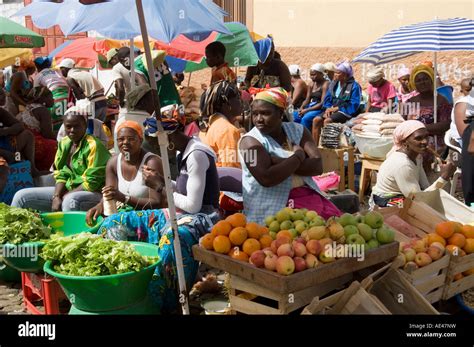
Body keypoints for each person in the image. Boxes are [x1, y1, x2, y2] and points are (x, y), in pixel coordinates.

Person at [238, 87, 341, 224]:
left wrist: (280, 162)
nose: (259, 119)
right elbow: (266, 178)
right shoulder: (249, 141)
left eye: (265, 113)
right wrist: (298, 156)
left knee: (331, 229)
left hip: (305, 199)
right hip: (270, 208)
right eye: (255, 114)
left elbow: (317, 166)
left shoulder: (297, 130)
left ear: (280, 113)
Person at [11, 105, 111, 212]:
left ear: (85, 126)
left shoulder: (93, 146)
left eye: (76, 126)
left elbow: (92, 182)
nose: (72, 130)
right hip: (70, 190)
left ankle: (71, 228)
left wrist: (64, 196)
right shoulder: (64, 144)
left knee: (70, 200)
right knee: (21, 196)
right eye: (68, 127)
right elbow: (61, 173)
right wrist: (56, 196)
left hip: (95, 194)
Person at [86, 120, 164, 224]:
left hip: (149, 219)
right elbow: (110, 193)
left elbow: (157, 202)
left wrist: (124, 198)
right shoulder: (113, 162)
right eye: (121, 139)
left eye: (131, 139)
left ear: (140, 141)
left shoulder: (151, 162)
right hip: (123, 215)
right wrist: (99, 206)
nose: (125, 142)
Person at [371, 120, 456, 207]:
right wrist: (444, 177)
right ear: (404, 142)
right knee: (414, 206)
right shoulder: (402, 164)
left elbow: (424, 186)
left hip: (404, 196)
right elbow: (417, 199)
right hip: (385, 201)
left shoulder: (417, 157)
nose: (425, 142)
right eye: (418, 138)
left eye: (426, 137)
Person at [406, 64, 452, 170]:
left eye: (426, 78)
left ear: (431, 80)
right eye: (418, 80)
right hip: (413, 146)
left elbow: (446, 124)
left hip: (434, 147)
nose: (422, 82)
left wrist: (421, 129)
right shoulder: (410, 101)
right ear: (414, 83)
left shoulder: (441, 100)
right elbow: (403, 122)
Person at [312, 62, 362, 141]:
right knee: (316, 120)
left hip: (345, 111)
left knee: (327, 121)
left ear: (345, 75)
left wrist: (337, 108)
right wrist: (328, 109)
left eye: (337, 73)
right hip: (332, 109)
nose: (334, 74)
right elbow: (327, 99)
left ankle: (328, 147)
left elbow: (354, 104)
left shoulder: (354, 86)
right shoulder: (333, 84)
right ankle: (315, 147)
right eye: (335, 72)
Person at [199, 80, 243, 168]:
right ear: (226, 104)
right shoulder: (227, 130)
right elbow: (232, 168)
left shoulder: (211, 123)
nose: (241, 101)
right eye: (237, 98)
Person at [0, 88, 42, 177]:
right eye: (0, 95)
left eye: (3, 94)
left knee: (27, 135)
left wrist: (5, 131)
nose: (3, 97)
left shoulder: (1, 112)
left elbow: (19, 125)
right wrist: (3, 152)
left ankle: (32, 169)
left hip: (5, 143)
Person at [17, 87, 57, 171]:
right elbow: (47, 134)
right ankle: (44, 170)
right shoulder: (43, 110)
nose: (53, 99)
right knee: (55, 145)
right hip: (33, 141)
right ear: (44, 99)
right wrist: (59, 138)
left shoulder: (30, 107)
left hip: (23, 140)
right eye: (51, 97)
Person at [33, 56, 69, 131]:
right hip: (67, 95)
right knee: (66, 118)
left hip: (56, 97)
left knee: (55, 120)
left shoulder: (38, 76)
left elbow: (35, 93)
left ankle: (57, 137)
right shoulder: (55, 72)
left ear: (37, 66)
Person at [295, 63, 329, 142]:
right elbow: (307, 99)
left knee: (305, 119)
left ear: (321, 74)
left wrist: (306, 110)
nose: (312, 77)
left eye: (314, 75)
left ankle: (305, 141)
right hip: (310, 107)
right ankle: (295, 139)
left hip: (319, 108)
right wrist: (302, 108)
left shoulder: (325, 84)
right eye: (311, 75)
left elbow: (322, 103)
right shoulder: (311, 84)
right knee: (294, 116)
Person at [449, 78, 474, 148]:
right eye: (468, 90)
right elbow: (465, 134)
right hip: (461, 141)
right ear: (461, 91)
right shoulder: (462, 104)